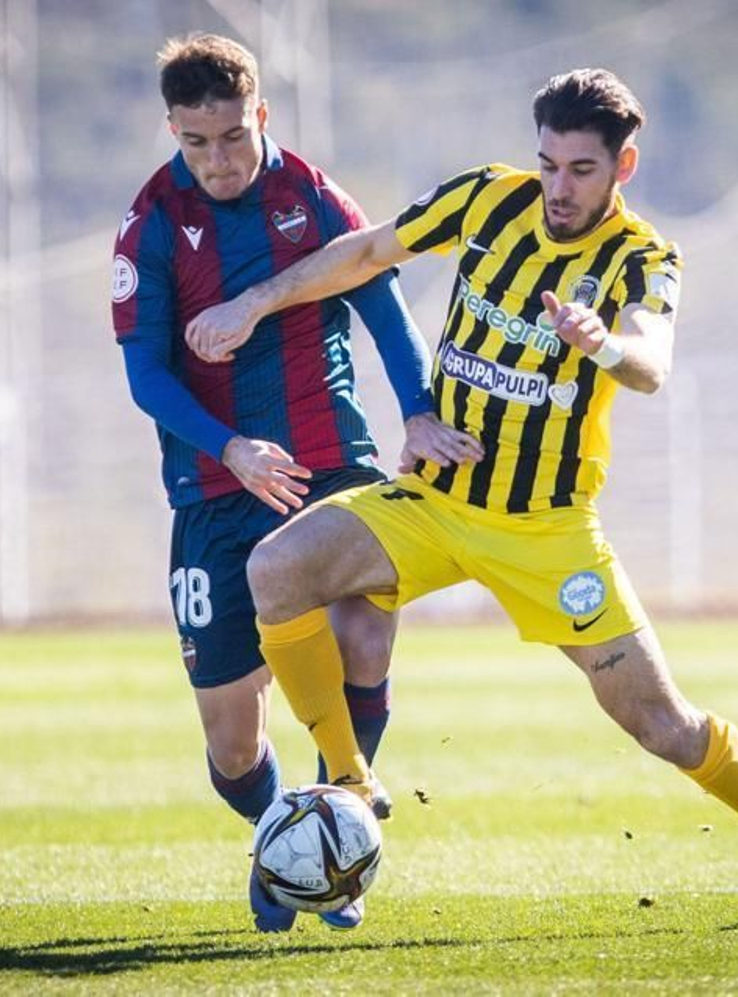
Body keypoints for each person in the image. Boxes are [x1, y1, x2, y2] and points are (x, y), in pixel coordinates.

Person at [185, 68, 738, 926]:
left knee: (664, 726)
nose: (557, 186)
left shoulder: (643, 258)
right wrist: (255, 302)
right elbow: (367, 252)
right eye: (547, 164)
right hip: (437, 502)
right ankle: (351, 781)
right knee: (278, 567)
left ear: (623, 167)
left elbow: (653, 361)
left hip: (548, 532)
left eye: (581, 170)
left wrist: (604, 345)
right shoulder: (486, 198)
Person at [110, 34, 482, 933]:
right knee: (234, 747)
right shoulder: (151, 224)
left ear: (261, 116)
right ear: (171, 130)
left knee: (364, 639)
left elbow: (384, 309)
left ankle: (335, 830)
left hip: (333, 470)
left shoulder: (312, 198)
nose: (218, 159)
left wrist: (418, 412)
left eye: (232, 136)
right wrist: (231, 446)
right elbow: (146, 376)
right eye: (197, 143)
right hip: (214, 492)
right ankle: (286, 834)